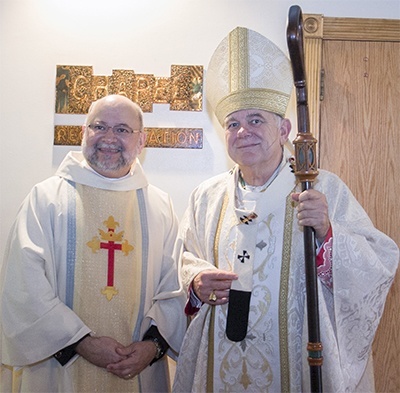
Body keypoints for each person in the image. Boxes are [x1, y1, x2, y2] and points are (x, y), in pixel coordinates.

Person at [172, 27, 399, 393]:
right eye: (233, 123)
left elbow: (379, 261)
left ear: (285, 128)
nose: (243, 131)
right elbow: (185, 260)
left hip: (296, 362)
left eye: (256, 120)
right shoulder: (206, 197)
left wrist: (328, 234)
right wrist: (197, 285)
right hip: (220, 361)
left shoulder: (320, 187)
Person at [0, 94, 186, 392]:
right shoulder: (46, 199)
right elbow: (24, 285)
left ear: (142, 142)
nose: (109, 138)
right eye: (99, 127)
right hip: (60, 368)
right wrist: (81, 342)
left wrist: (151, 347)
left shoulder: (158, 205)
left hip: (138, 369)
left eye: (122, 129)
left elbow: (174, 286)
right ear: (83, 132)